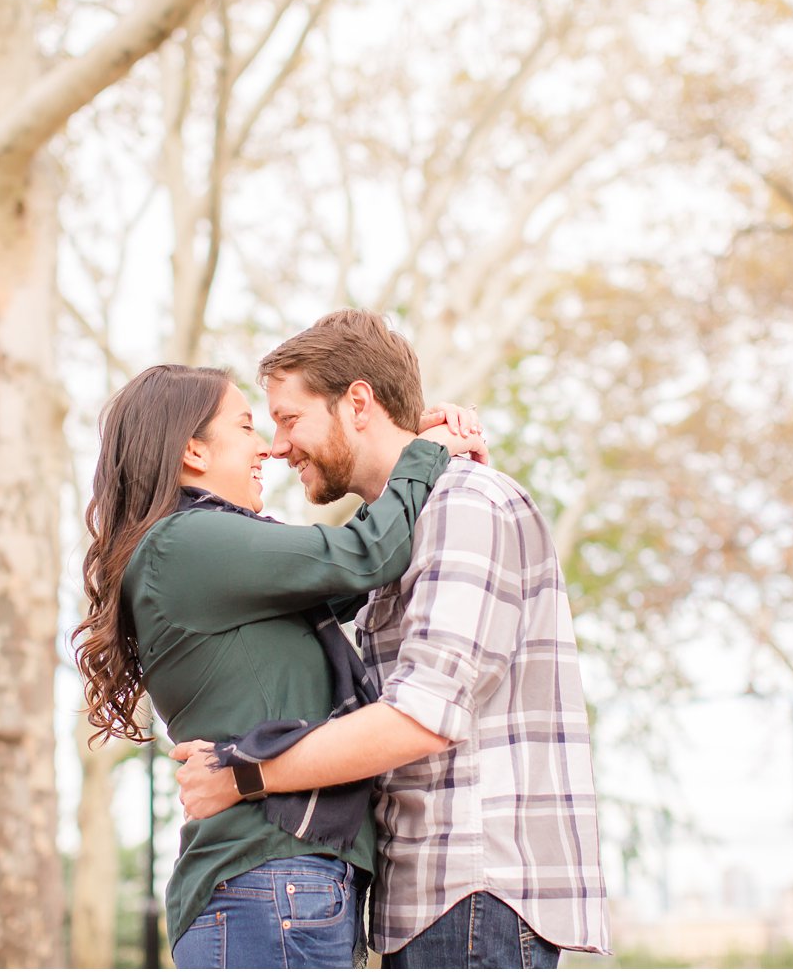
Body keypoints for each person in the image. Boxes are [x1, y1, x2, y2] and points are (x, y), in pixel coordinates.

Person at [173, 310, 611, 969]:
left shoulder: (467, 505)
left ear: (357, 402)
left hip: (473, 891)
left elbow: (420, 717)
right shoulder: (402, 533)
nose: (279, 446)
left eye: (290, 420)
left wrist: (242, 773)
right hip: (428, 903)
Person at [72, 363, 485, 970]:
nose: (267, 445)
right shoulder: (186, 543)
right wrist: (423, 457)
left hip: (279, 884)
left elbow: (345, 581)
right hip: (270, 882)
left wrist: (404, 452)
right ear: (192, 450)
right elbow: (364, 558)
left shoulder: (198, 551)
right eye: (245, 426)